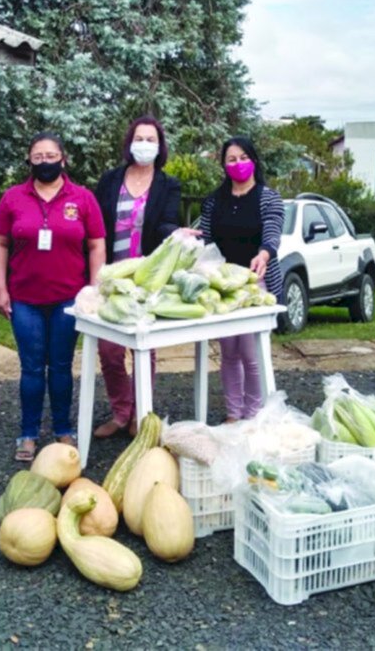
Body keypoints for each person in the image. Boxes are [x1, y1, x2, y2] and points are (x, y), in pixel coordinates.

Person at [0, 132, 106, 461]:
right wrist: (1, 288)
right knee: (30, 368)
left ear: (63, 159)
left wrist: (93, 289)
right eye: (38, 157)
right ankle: (27, 433)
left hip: (69, 300)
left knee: (60, 367)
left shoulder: (82, 198)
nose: (45, 162)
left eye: (51, 156)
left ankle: (62, 430)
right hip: (24, 297)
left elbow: (97, 244)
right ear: (29, 161)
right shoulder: (12, 198)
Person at [92, 115, 184, 438]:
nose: (144, 144)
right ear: (130, 142)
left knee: (144, 348)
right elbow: (96, 225)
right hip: (111, 275)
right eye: (139, 138)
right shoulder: (110, 179)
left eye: (151, 140)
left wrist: (176, 233)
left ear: (159, 147)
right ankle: (120, 412)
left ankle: (140, 415)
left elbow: (167, 222)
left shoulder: (168, 184)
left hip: (147, 279)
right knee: (108, 350)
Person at [199, 136, 284, 423]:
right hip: (224, 285)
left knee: (251, 352)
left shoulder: (268, 197)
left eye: (243, 158)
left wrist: (265, 254)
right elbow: (208, 242)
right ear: (224, 165)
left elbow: (272, 233)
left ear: (254, 161)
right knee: (229, 352)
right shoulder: (213, 201)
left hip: (254, 284)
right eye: (232, 159)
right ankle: (233, 414)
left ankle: (254, 415)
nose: (238, 164)